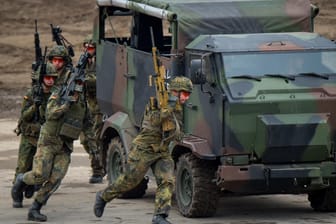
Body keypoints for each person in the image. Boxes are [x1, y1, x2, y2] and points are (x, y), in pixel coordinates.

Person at [93, 76, 193, 224]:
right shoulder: (158, 102)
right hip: (144, 149)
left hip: (161, 150)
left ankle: (160, 216)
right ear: (174, 92)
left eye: (188, 94)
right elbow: (154, 121)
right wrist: (168, 108)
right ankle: (103, 196)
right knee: (129, 181)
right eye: (184, 94)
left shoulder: (178, 106)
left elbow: (175, 129)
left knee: (167, 181)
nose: (186, 97)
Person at [11, 62, 89, 222]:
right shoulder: (58, 95)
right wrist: (66, 104)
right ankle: (21, 180)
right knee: (40, 175)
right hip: (48, 141)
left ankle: (35, 208)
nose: (79, 87)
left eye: (82, 84)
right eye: (77, 83)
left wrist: (93, 147)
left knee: (56, 179)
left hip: (64, 146)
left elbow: (87, 124)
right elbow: (51, 114)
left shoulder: (82, 102)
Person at [11, 63, 58, 208]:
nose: (50, 80)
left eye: (53, 78)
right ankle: (17, 194)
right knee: (22, 167)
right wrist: (35, 106)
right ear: (41, 78)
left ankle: (32, 187)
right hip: (29, 136)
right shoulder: (31, 93)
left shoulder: (55, 94)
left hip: (45, 137)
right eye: (47, 77)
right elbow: (24, 116)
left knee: (41, 169)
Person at [80, 34, 105, 184]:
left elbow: (101, 81)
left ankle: (98, 170)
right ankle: (100, 165)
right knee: (85, 140)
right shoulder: (84, 63)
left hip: (99, 108)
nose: (88, 50)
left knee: (95, 139)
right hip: (86, 107)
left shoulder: (101, 63)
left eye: (91, 48)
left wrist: (85, 80)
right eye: (86, 47)